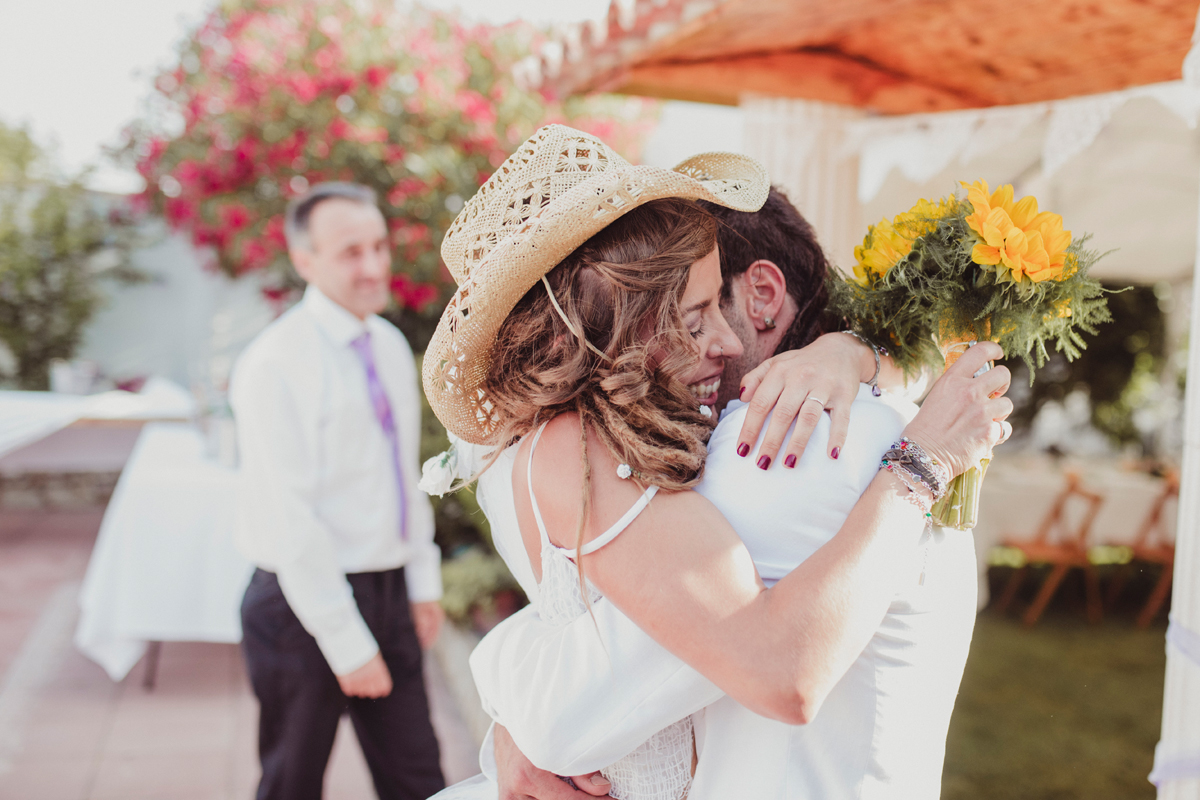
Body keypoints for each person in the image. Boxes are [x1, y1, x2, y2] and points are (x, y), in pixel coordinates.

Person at [422, 126, 1010, 800]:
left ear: (764, 294)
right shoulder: (600, 450)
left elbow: (580, 702)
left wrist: (505, 703)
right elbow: (630, 647)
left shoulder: (791, 438)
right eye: (694, 316)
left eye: (710, 305)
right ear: (615, 322)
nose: (723, 343)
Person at [230, 182, 445, 800]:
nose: (375, 266)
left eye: (379, 246)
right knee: (291, 782)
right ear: (306, 260)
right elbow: (289, 517)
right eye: (351, 252)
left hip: (387, 587)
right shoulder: (275, 363)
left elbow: (403, 472)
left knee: (418, 778)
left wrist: (420, 579)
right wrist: (346, 642)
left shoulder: (389, 344)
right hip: (302, 603)